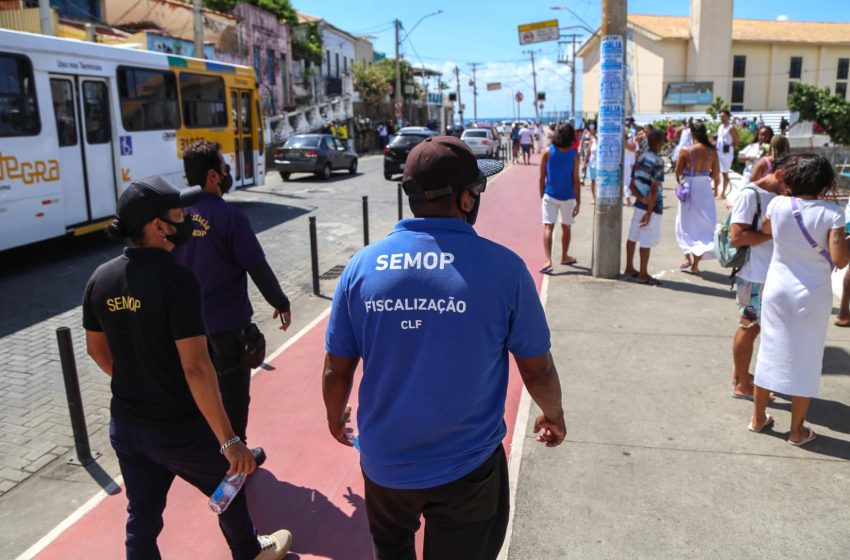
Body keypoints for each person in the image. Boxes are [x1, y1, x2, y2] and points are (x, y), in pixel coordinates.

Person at [322, 135, 566, 560]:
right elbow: (538, 370)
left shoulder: (361, 268)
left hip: (385, 467)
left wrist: (332, 416)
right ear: (466, 200)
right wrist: (555, 414)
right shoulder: (505, 270)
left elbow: (335, 370)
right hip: (467, 470)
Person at [83, 176, 291, 560]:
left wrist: (137, 381)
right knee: (228, 484)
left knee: (141, 519)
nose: (187, 217)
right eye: (179, 211)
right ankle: (249, 551)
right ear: (158, 226)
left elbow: (96, 350)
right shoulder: (178, 281)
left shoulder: (101, 279)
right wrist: (230, 441)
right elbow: (196, 368)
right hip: (179, 426)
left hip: (127, 426)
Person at [174, 141, 292, 468]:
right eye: (225, 169)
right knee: (234, 398)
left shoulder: (175, 218)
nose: (228, 174)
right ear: (213, 175)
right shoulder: (230, 217)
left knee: (199, 394)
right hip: (227, 329)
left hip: (186, 333)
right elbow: (256, 266)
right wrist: (280, 302)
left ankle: (212, 454)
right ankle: (237, 462)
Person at [750, 154, 850, 445]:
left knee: (769, 351)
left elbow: (767, 231)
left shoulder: (778, 204)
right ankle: (797, 430)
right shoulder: (832, 213)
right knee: (805, 358)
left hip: (776, 288)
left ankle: (758, 419)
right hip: (812, 294)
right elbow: (840, 260)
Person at [728, 156, 788, 399]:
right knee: (749, 328)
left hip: (767, 274)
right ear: (780, 174)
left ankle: (740, 375)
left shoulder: (776, 196)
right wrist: (773, 234)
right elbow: (738, 237)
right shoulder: (750, 195)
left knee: (755, 328)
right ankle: (742, 385)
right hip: (754, 274)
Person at [675, 123, 719, 274]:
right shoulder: (712, 151)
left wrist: (683, 185)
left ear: (692, 134)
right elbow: (716, 174)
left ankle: (686, 256)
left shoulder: (686, 150)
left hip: (689, 187)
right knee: (703, 226)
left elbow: (678, 172)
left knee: (684, 223)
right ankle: (695, 265)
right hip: (704, 189)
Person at [624, 129, 665, 285]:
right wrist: (649, 211)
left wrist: (640, 197)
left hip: (640, 202)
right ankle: (643, 273)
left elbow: (631, 182)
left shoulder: (640, 157)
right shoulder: (658, 161)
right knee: (646, 238)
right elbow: (655, 187)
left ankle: (629, 268)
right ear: (660, 143)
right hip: (652, 206)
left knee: (633, 235)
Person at [539, 123, 581, 273]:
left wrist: (541, 195)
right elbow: (576, 179)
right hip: (568, 197)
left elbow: (542, 176)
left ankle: (548, 260)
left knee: (548, 226)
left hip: (550, 194)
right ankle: (564, 256)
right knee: (566, 227)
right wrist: (578, 201)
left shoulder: (547, 152)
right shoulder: (574, 155)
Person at [714, 110, 739, 199]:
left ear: (728, 117)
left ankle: (723, 193)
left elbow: (736, 142)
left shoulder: (731, 128)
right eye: (720, 116)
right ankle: (716, 191)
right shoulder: (720, 127)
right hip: (718, 152)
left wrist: (728, 146)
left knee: (725, 173)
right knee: (716, 171)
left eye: (723, 116)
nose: (722, 118)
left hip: (727, 154)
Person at [623, 117, 638, 206]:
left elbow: (635, 150)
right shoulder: (626, 139)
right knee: (626, 181)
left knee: (627, 180)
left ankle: (628, 199)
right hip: (626, 161)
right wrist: (635, 140)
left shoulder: (631, 136)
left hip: (629, 161)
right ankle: (627, 200)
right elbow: (633, 148)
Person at [583, 121, 598, 204]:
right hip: (592, 164)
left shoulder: (600, 138)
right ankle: (594, 198)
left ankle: (599, 197)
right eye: (590, 129)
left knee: (600, 182)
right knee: (593, 181)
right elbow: (588, 151)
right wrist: (585, 162)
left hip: (600, 165)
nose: (591, 131)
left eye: (593, 129)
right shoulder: (592, 140)